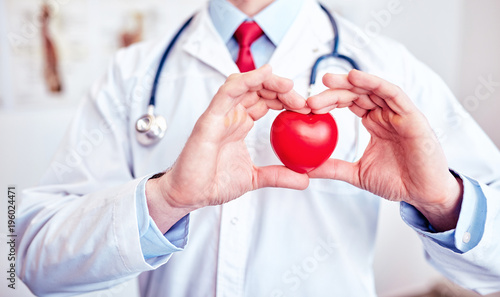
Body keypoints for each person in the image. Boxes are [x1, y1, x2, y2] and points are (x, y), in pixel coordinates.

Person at [17, 0, 500, 296]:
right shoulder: (132, 72)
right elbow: (30, 257)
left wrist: (444, 201)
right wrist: (164, 201)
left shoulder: (388, 67)